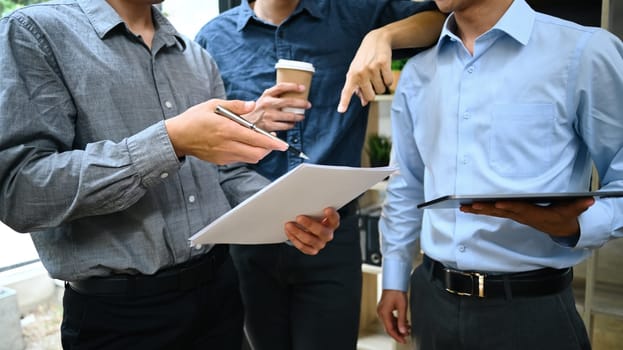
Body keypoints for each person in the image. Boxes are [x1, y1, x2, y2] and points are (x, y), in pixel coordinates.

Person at [0, 1, 340, 349]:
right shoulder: (34, 32)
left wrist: (290, 213)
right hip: (120, 316)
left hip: (220, 293)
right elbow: (20, 191)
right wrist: (171, 141)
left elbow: (225, 173)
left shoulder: (195, 56)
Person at [195, 1, 445, 349]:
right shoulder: (213, 38)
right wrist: (251, 120)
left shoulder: (354, 15)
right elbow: (204, 144)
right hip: (250, 241)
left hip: (332, 235)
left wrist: (381, 36)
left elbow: (441, 18)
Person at [377, 0, 623, 349]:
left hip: (532, 312)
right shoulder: (418, 73)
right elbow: (407, 185)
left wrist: (576, 224)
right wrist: (394, 277)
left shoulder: (583, 52)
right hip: (431, 303)